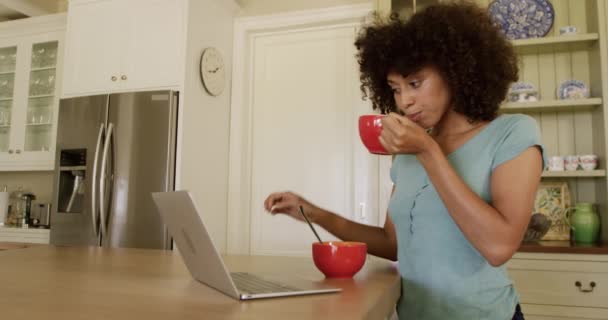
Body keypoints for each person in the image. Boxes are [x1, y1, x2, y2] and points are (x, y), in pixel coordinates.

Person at [263, 2, 544, 319]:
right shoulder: (409, 152)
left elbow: (498, 247)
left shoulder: (512, 133)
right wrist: (313, 212)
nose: (404, 101)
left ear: (456, 72)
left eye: (415, 83)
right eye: (395, 89)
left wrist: (428, 151)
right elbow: (392, 244)